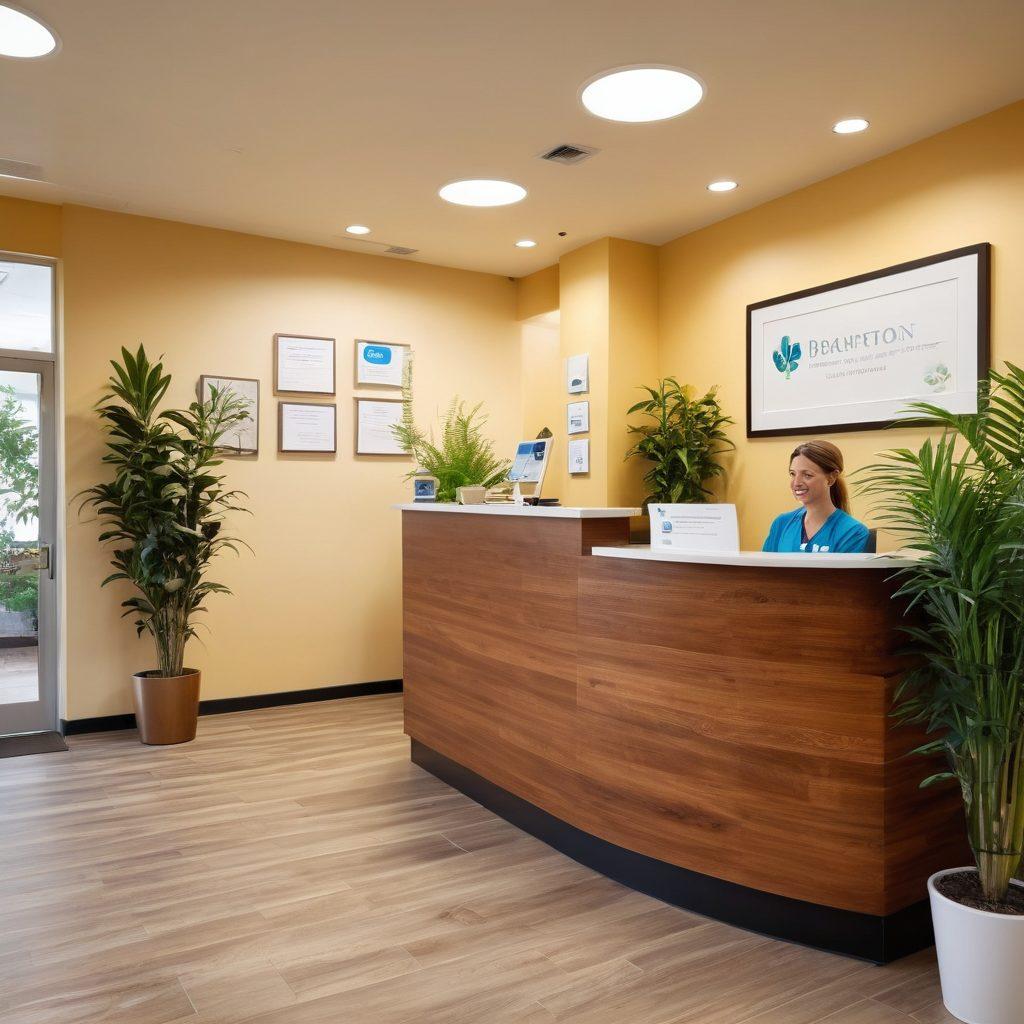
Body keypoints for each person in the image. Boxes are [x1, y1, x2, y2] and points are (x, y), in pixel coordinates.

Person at [762, 440, 869, 553]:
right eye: (793, 474)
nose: (796, 483)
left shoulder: (853, 533)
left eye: (807, 475)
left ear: (831, 478)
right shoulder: (781, 524)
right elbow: (764, 569)